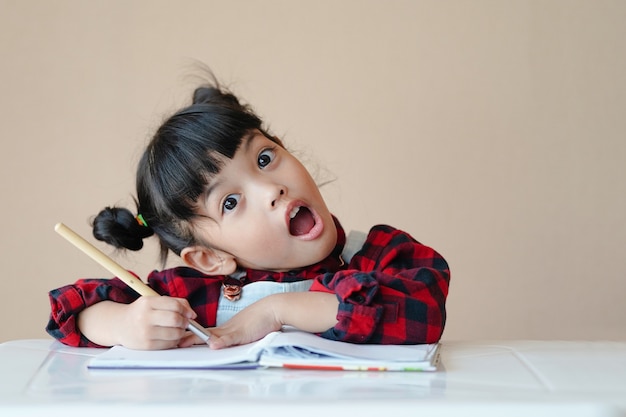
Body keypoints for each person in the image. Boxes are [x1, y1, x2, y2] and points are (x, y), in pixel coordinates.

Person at [46, 77, 450, 350]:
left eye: (264, 158)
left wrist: (276, 311)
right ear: (210, 258)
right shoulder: (192, 295)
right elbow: (71, 309)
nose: (271, 189)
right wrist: (126, 325)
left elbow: (424, 311)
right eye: (230, 202)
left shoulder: (379, 255)